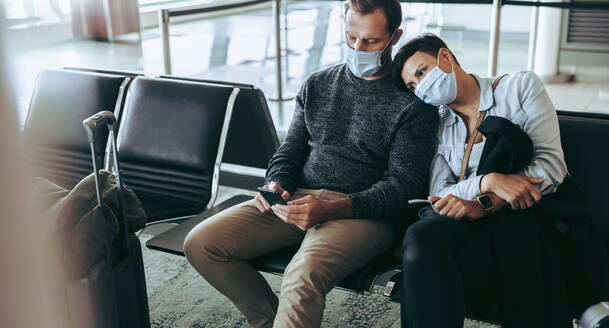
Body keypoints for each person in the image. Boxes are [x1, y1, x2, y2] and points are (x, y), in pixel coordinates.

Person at [182, 2, 439, 328]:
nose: (358, 48)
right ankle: (269, 320)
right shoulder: (317, 84)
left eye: (371, 41)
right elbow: (290, 151)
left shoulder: (412, 102)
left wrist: (331, 209)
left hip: (362, 212)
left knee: (303, 273)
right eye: (351, 37)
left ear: (394, 37)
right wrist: (275, 183)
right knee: (202, 244)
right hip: (298, 198)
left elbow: (403, 186)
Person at [393, 33, 569, 328]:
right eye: (413, 85)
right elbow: (440, 193)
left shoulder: (519, 88)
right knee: (420, 237)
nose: (421, 87)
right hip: (463, 222)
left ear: (446, 58)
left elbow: (550, 167)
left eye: (422, 72)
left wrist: (485, 203)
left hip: (520, 217)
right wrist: (487, 182)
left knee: (509, 234)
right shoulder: (437, 123)